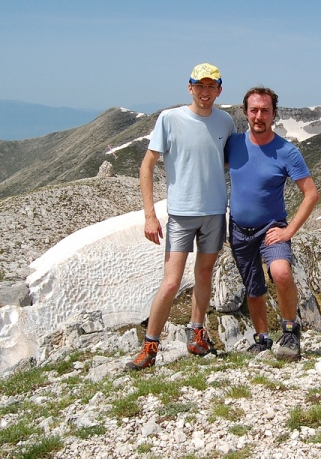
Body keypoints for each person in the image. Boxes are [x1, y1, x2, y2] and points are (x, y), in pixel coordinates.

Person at [126, 63, 236, 370]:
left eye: (211, 86)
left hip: (215, 211)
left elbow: (226, 161)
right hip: (181, 214)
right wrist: (150, 216)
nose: (205, 92)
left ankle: (196, 335)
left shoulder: (226, 121)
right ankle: (150, 346)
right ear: (190, 88)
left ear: (219, 90)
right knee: (172, 281)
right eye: (199, 86)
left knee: (204, 275)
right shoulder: (169, 119)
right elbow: (146, 166)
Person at [225, 86, 319, 361]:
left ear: (274, 114)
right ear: (245, 113)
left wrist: (289, 230)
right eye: (254, 110)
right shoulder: (234, 144)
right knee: (253, 287)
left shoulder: (287, 151)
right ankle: (262, 339)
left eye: (265, 110)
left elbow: (311, 194)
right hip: (239, 230)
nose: (259, 116)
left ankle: (290, 330)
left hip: (271, 228)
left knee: (281, 273)